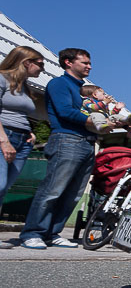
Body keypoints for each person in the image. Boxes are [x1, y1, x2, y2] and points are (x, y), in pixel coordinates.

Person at [19, 49, 96, 249]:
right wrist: (95, 120)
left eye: (89, 63)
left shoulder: (82, 89)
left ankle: (53, 233)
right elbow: (65, 111)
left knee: (73, 194)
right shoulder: (59, 84)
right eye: (84, 62)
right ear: (68, 62)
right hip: (67, 139)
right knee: (52, 190)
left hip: (87, 141)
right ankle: (33, 232)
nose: (89, 66)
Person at [0, 47, 45, 249]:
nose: (42, 69)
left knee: (5, 188)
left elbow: (23, 114)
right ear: (27, 62)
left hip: (22, 139)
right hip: (4, 136)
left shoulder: (25, 87)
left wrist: (30, 132)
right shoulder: (1, 79)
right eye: (40, 64)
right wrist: (4, 141)